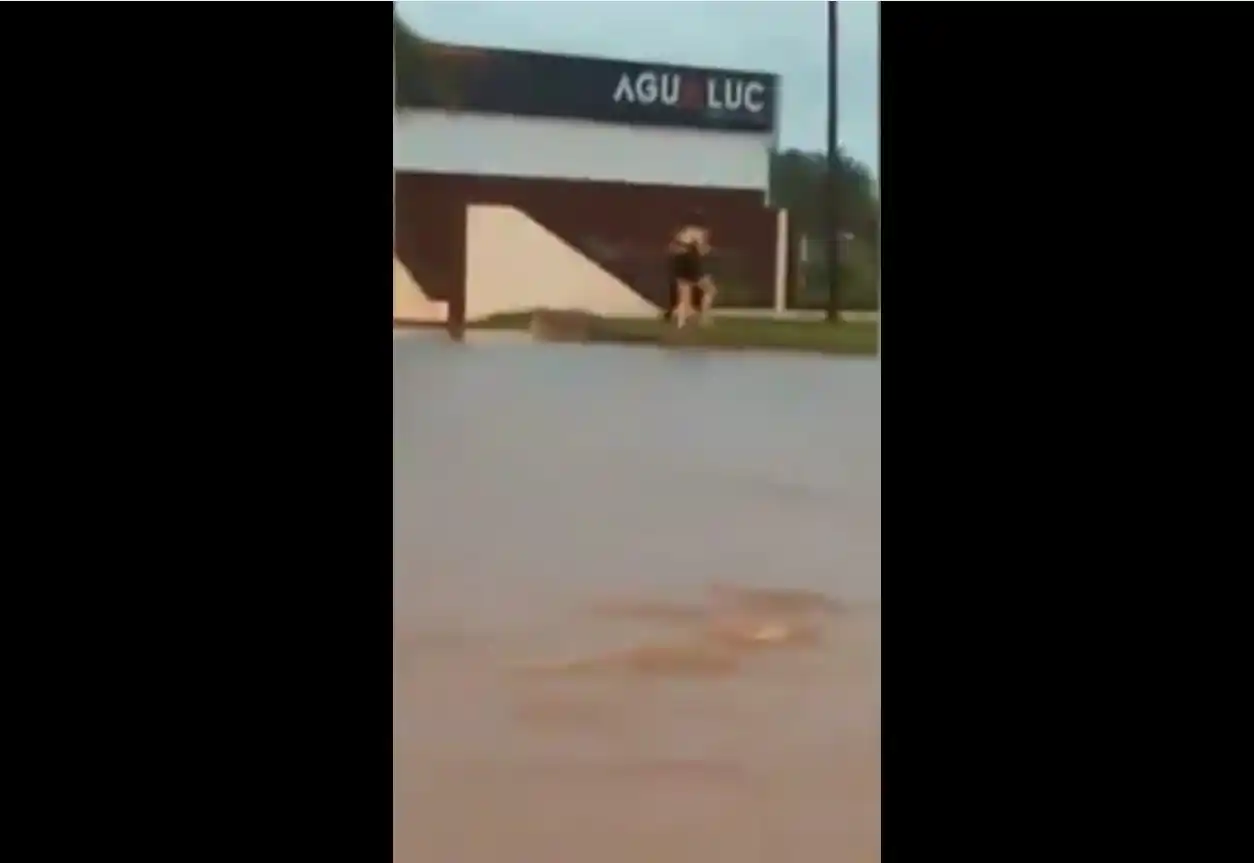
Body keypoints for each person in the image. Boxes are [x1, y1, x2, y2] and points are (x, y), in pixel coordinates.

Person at [666, 210, 717, 328]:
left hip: (678, 263)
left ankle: (681, 323)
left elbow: (672, 248)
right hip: (689, 262)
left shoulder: (682, 232)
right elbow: (701, 250)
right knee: (711, 290)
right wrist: (708, 249)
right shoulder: (700, 232)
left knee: (684, 294)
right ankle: (705, 318)